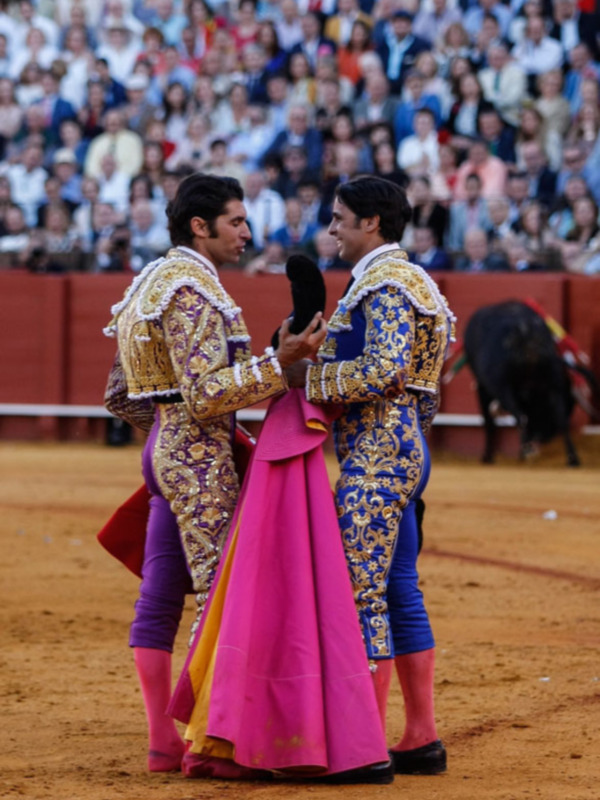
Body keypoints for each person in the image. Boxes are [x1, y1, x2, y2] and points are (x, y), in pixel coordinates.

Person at [102, 173, 326, 774]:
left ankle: (161, 741)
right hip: (199, 455)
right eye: (236, 221)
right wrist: (280, 364)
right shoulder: (194, 291)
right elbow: (205, 397)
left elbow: (119, 394)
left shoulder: (150, 282)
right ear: (200, 226)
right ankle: (211, 743)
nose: (247, 233)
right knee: (220, 596)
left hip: (166, 452)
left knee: (160, 597)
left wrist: (163, 441)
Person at [290, 176, 455, 776]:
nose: (331, 228)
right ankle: (419, 737)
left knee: (361, 593)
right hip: (405, 443)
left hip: (378, 452)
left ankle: (362, 743)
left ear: (372, 224)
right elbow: (422, 387)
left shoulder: (385, 283)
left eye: (339, 218)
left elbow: (385, 369)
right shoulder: (413, 282)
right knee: (398, 589)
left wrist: (309, 384)